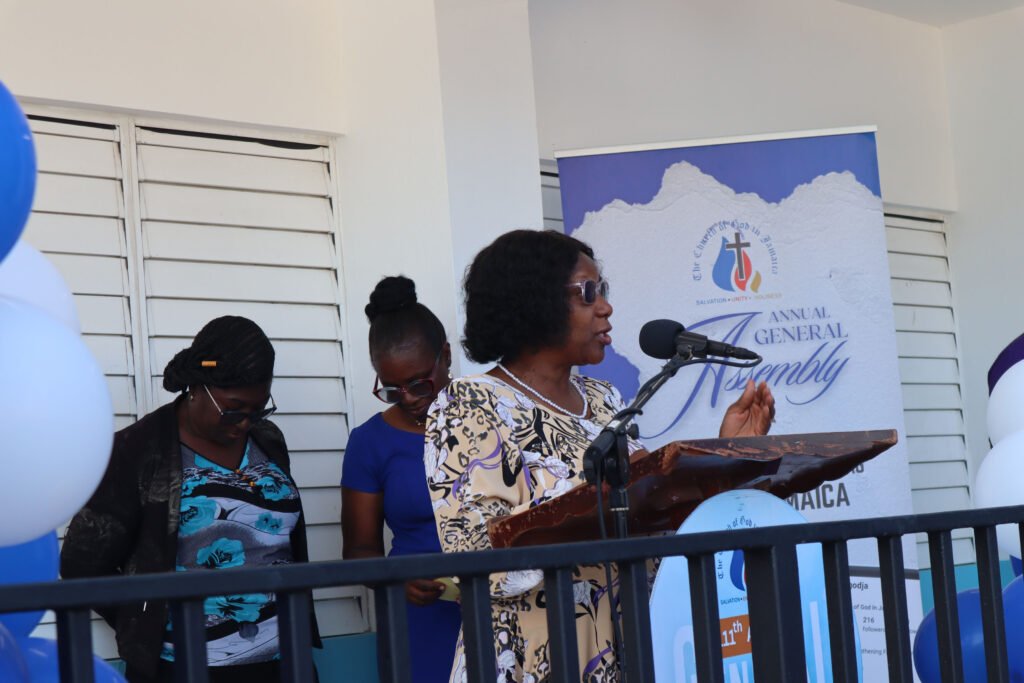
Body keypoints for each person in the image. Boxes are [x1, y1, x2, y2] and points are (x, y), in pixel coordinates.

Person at [425, 229, 775, 682]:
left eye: (602, 291)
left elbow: (654, 514)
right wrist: (588, 502)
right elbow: (473, 553)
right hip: (534, 659)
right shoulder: (470, 403)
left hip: (630, 647)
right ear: (535, 303)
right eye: (588, 293)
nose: (606, 307)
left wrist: (729, 450)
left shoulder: (605, 399)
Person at [61, 316, 320, 683]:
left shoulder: (268, 440)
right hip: (184, 666)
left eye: (258, 409)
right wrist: (145, 618)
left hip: (285, 659)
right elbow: (81, 567)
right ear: (197, 388)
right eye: (233, 409)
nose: (245, 423)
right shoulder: (137, 450)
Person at [341, 276, 462, 683]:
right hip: (420, 622)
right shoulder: (370, 443)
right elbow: (359, 551)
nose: (409, 398)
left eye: (419, 383)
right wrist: (398, 580)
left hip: (503, 608)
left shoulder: (492, 421)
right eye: (392, 390)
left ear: (445, 355)